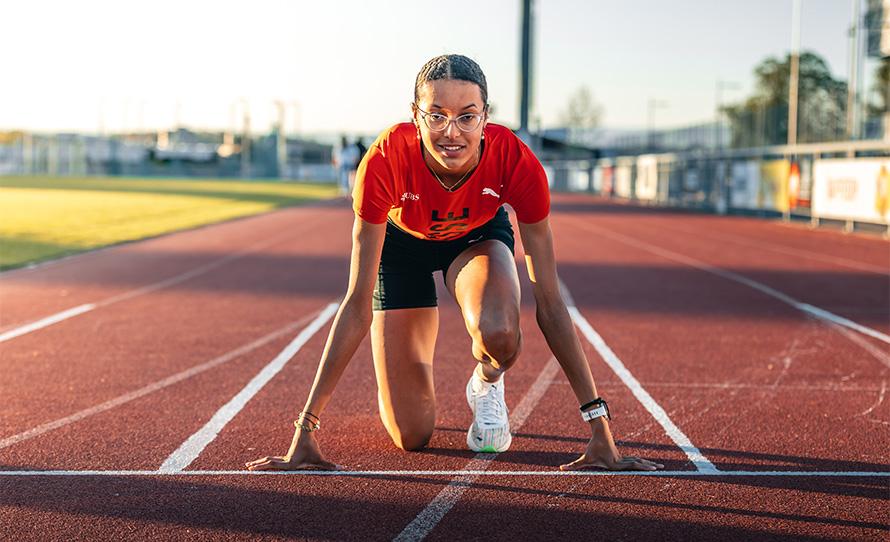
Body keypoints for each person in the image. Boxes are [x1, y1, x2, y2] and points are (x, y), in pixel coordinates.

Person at [247, 54, 663, 472]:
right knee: (411, 436)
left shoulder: (517, 163)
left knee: (500, 332)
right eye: (437, 116)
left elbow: (551, 303)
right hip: (401, 247)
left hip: (476, 236)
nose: (452, 132)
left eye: (467, 117)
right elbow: (356, 303)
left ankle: (487, 384)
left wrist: (599, 426)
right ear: (415, 116)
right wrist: (306, 430)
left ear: (486, 117)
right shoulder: (383, 161)